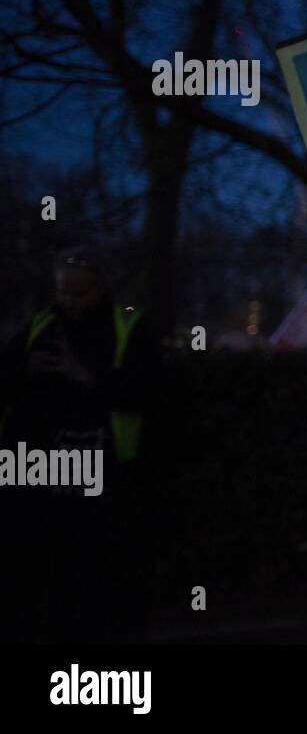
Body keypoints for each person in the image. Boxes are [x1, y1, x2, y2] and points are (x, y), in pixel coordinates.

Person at [0, 247, 159, 642]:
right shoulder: (41, 323)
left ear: (101, 288)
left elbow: (145, 392)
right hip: (34, 470)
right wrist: (25, 369)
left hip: (99, 473)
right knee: (36, 568)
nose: (69, 302)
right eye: (63, 292)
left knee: (90, 574)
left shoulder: (128, 327)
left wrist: (86, 375)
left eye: (79, 293)